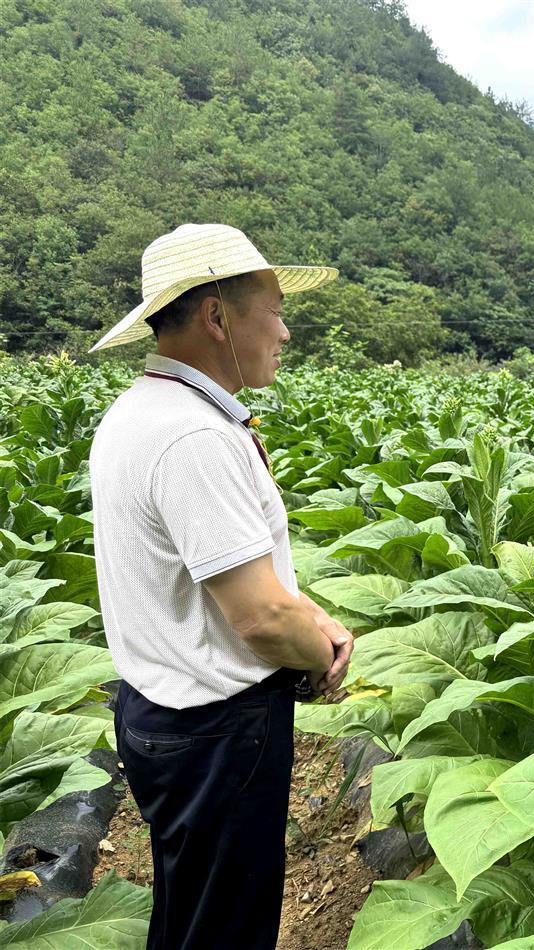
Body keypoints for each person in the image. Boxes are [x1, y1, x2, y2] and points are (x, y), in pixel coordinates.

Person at [89, 223, 353, 949]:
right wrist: (323, 649)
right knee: (227, 929)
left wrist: (306, 613)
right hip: (216, 733)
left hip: (160, 711)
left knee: (192, 911)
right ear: (216, 317)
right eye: (272, 309)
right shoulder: (192, 435)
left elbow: (227, 574)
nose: (286, 331)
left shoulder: (141, 410)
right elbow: (262, 617)